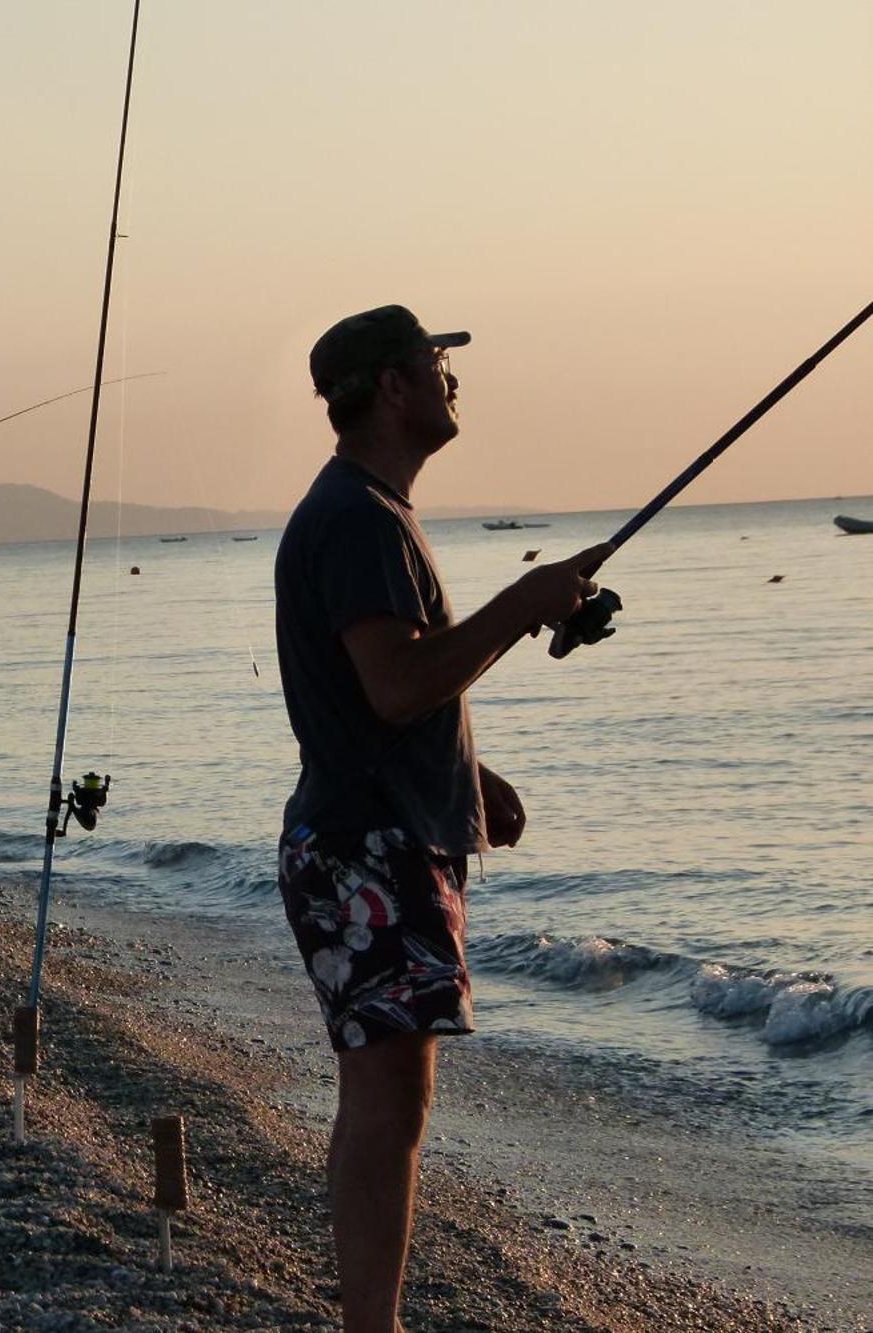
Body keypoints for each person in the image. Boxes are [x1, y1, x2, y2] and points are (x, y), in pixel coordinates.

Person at [273, 305, 609, 1332]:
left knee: (387, 1108)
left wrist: (470, 768)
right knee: (386, 1114)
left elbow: (377, 691)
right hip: (366, 851)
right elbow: (391, 685)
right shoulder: (362, 521)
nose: (448, 379)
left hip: (370, 837)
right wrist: (523, 602)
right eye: (433, 363)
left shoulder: (365, 510)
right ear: (389, 387)